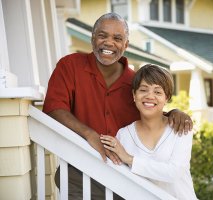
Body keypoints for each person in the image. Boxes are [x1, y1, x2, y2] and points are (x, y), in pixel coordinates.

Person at [43, 13, 193, 199]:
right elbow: (53, 108)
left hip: (124, 174)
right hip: (81, 168)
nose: (109, 43)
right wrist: (90, 134)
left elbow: (149, 108)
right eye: (102, 35)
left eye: (117, 38)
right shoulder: (70, 66)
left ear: (126, 45)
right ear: (93, 38)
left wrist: (173, 113)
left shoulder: (134, 81)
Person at [100, 64, 197, 200]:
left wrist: (129, 159)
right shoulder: (124, 135)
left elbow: (174, 172)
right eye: (143, 90)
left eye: (157, 92)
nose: (150, 96)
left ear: (166, 98)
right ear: (134, 95)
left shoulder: (181, 128)